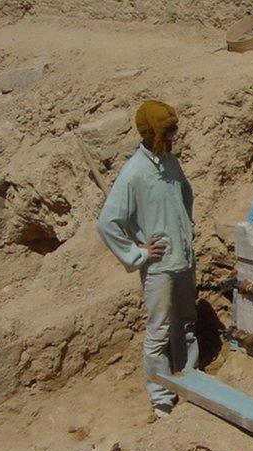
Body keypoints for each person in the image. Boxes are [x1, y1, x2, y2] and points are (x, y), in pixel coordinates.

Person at [96, 100, 197, 419]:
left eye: (174, 130)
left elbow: (186, 194)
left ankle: (190, 379)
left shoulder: (169, 162)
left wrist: (185, 230)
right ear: (152, 133)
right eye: (168, 132)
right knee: (159, 331)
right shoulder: (134, 173)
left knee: (187, 325)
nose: (174, 137)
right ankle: (161, 395)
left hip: (183, 260)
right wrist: (137, 253)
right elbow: (107, 222)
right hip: (159, 268)